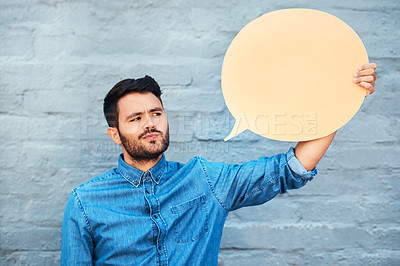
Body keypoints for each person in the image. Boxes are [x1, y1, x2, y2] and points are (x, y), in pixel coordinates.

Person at [61, 63, 377, 265]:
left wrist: (344, 98)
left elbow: (290, 168)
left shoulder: (204, 179)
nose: (151, 123)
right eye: (136, 118)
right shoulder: (85, 202)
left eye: (156, 113)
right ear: (115, 134)